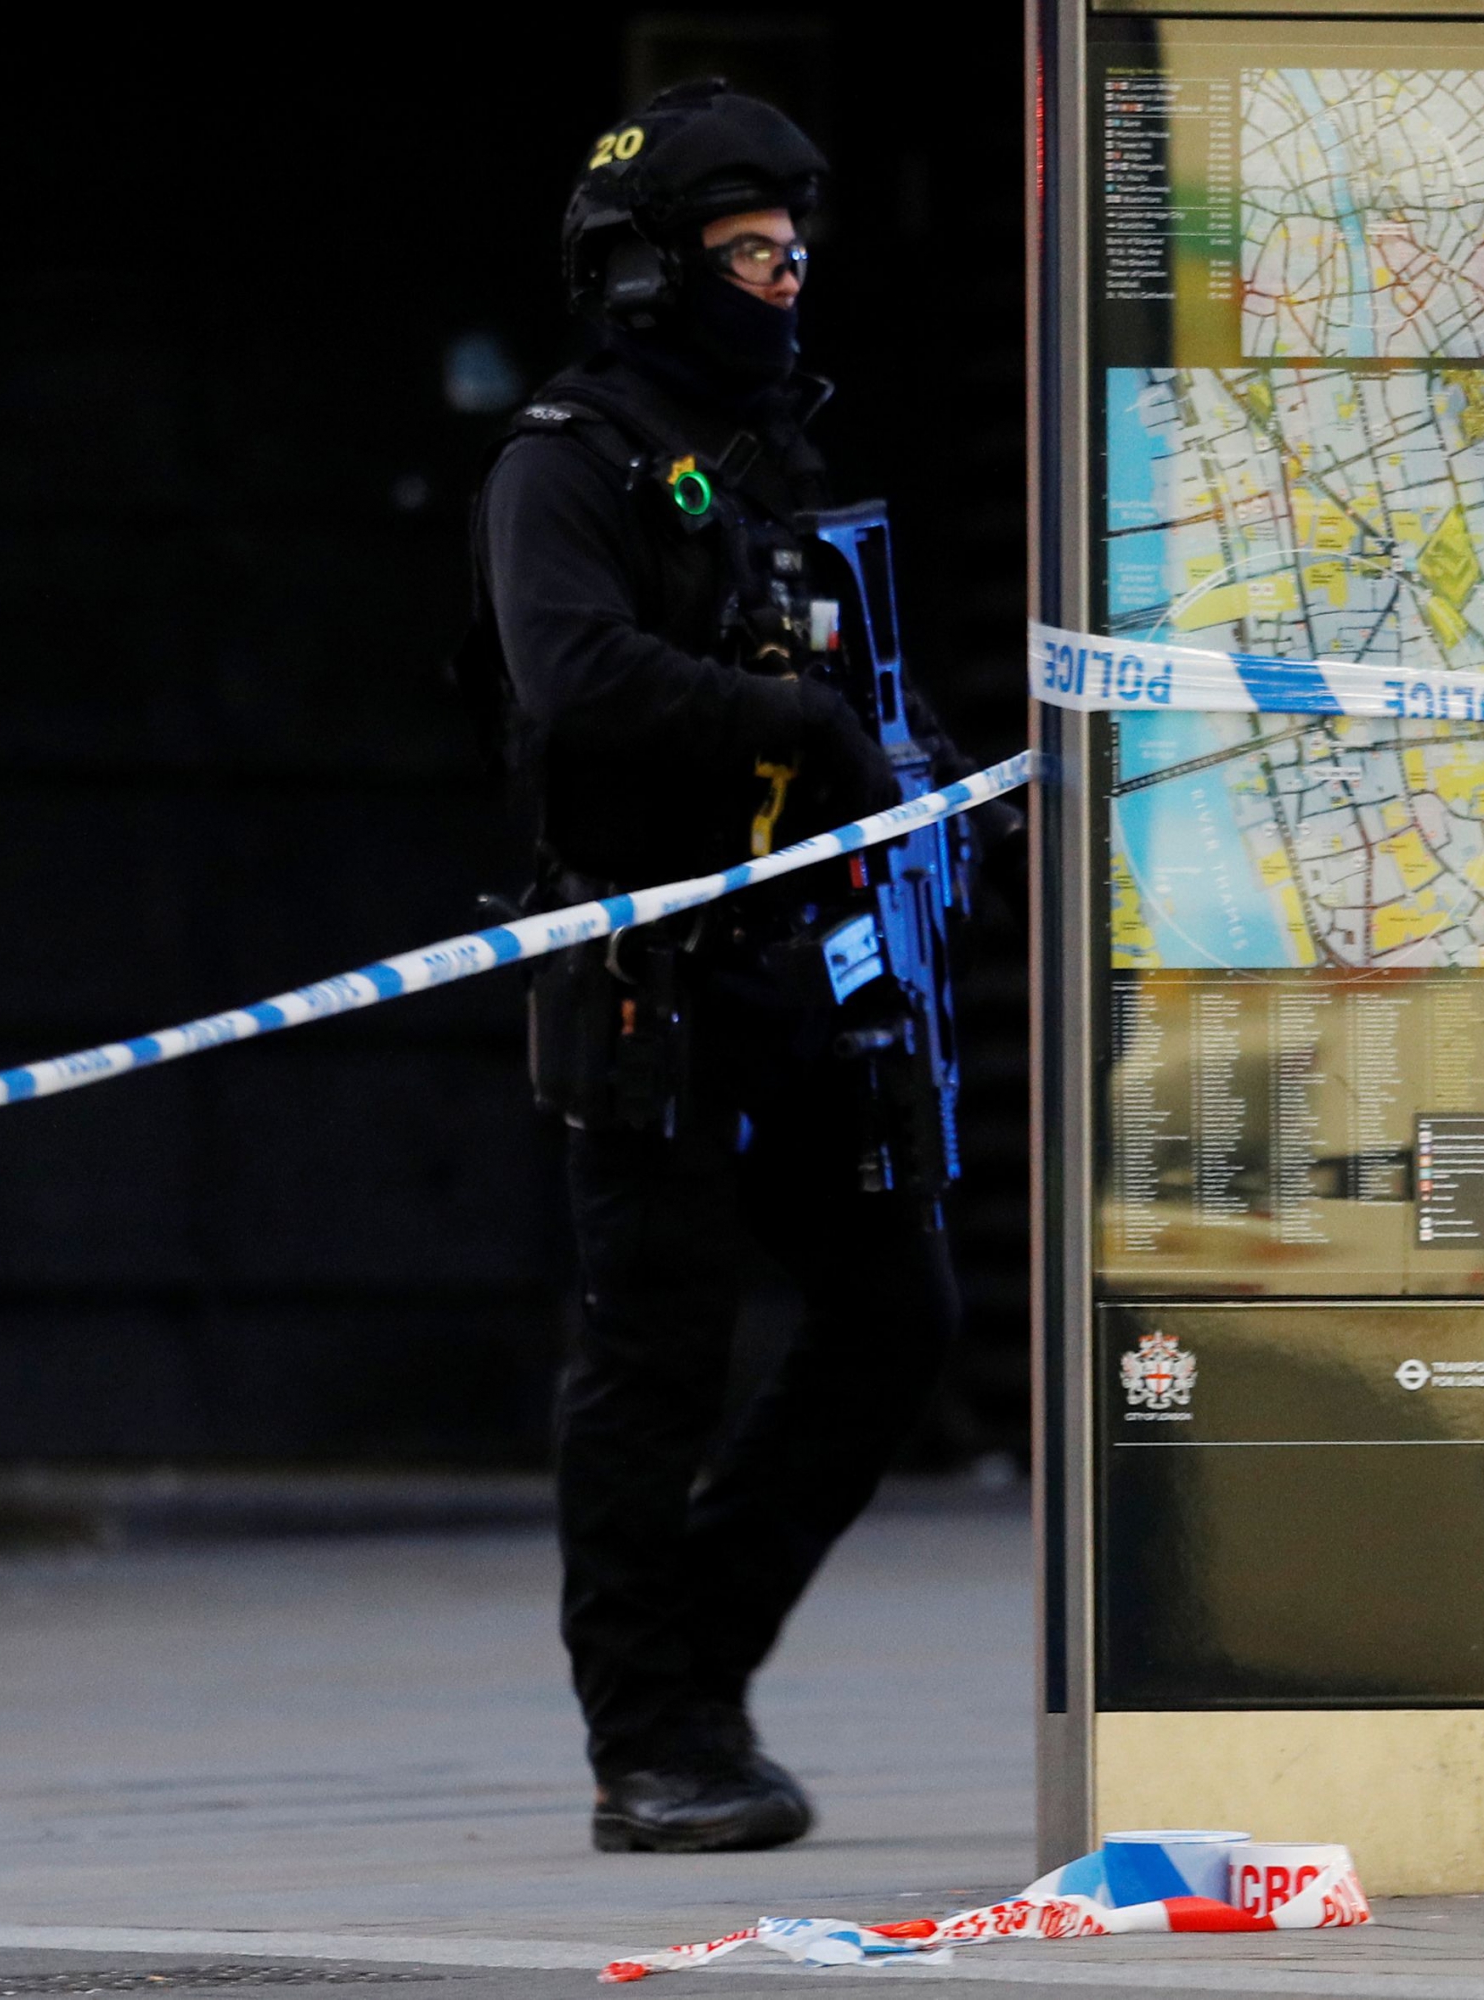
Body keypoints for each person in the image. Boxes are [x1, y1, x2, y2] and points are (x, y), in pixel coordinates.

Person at [455, 80, 961, 1854]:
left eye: (793, 251)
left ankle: (701, 1669)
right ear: (656, 271)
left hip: (807, 963)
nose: (784, 280)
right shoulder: (565, 461)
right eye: (747, 253)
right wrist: (795, 723)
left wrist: (914, 764)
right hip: (647, 965)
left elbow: (847, 663)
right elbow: (577, 676)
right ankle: (646, 1748)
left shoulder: (779, 453)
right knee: (651, 1355)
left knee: (900, 1315)